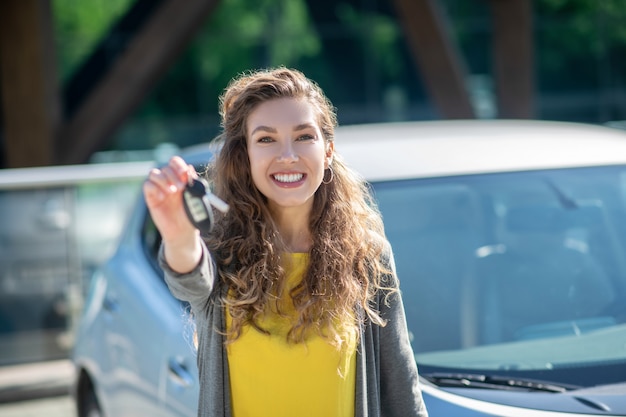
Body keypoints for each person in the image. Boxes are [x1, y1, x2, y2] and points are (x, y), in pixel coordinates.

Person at [143, 67, 428, 417]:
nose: (288, 155)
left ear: (328, 152)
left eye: (304, 136)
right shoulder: (219, 251)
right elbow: (189, 275)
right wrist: (177, 235)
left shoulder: (367, 254)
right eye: (266, 139)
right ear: (245, 157)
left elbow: (403, 392)